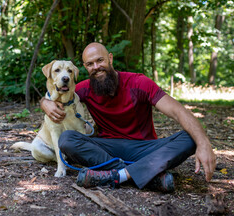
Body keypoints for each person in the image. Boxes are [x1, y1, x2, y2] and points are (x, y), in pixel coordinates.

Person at [40, 42, 216, 193]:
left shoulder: (139, 83)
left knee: (190, 138)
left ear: (110, 58)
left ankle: (119, 175)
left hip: (144, 149)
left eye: (100, 60)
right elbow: (56, 93)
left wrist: (204, 143)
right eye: (90, 64)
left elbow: (179, 111)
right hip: (106, 150)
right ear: (85, 67)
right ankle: (144, 175)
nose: (96, 67)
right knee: (67, 139)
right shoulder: (84, 88)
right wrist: (44, 103)